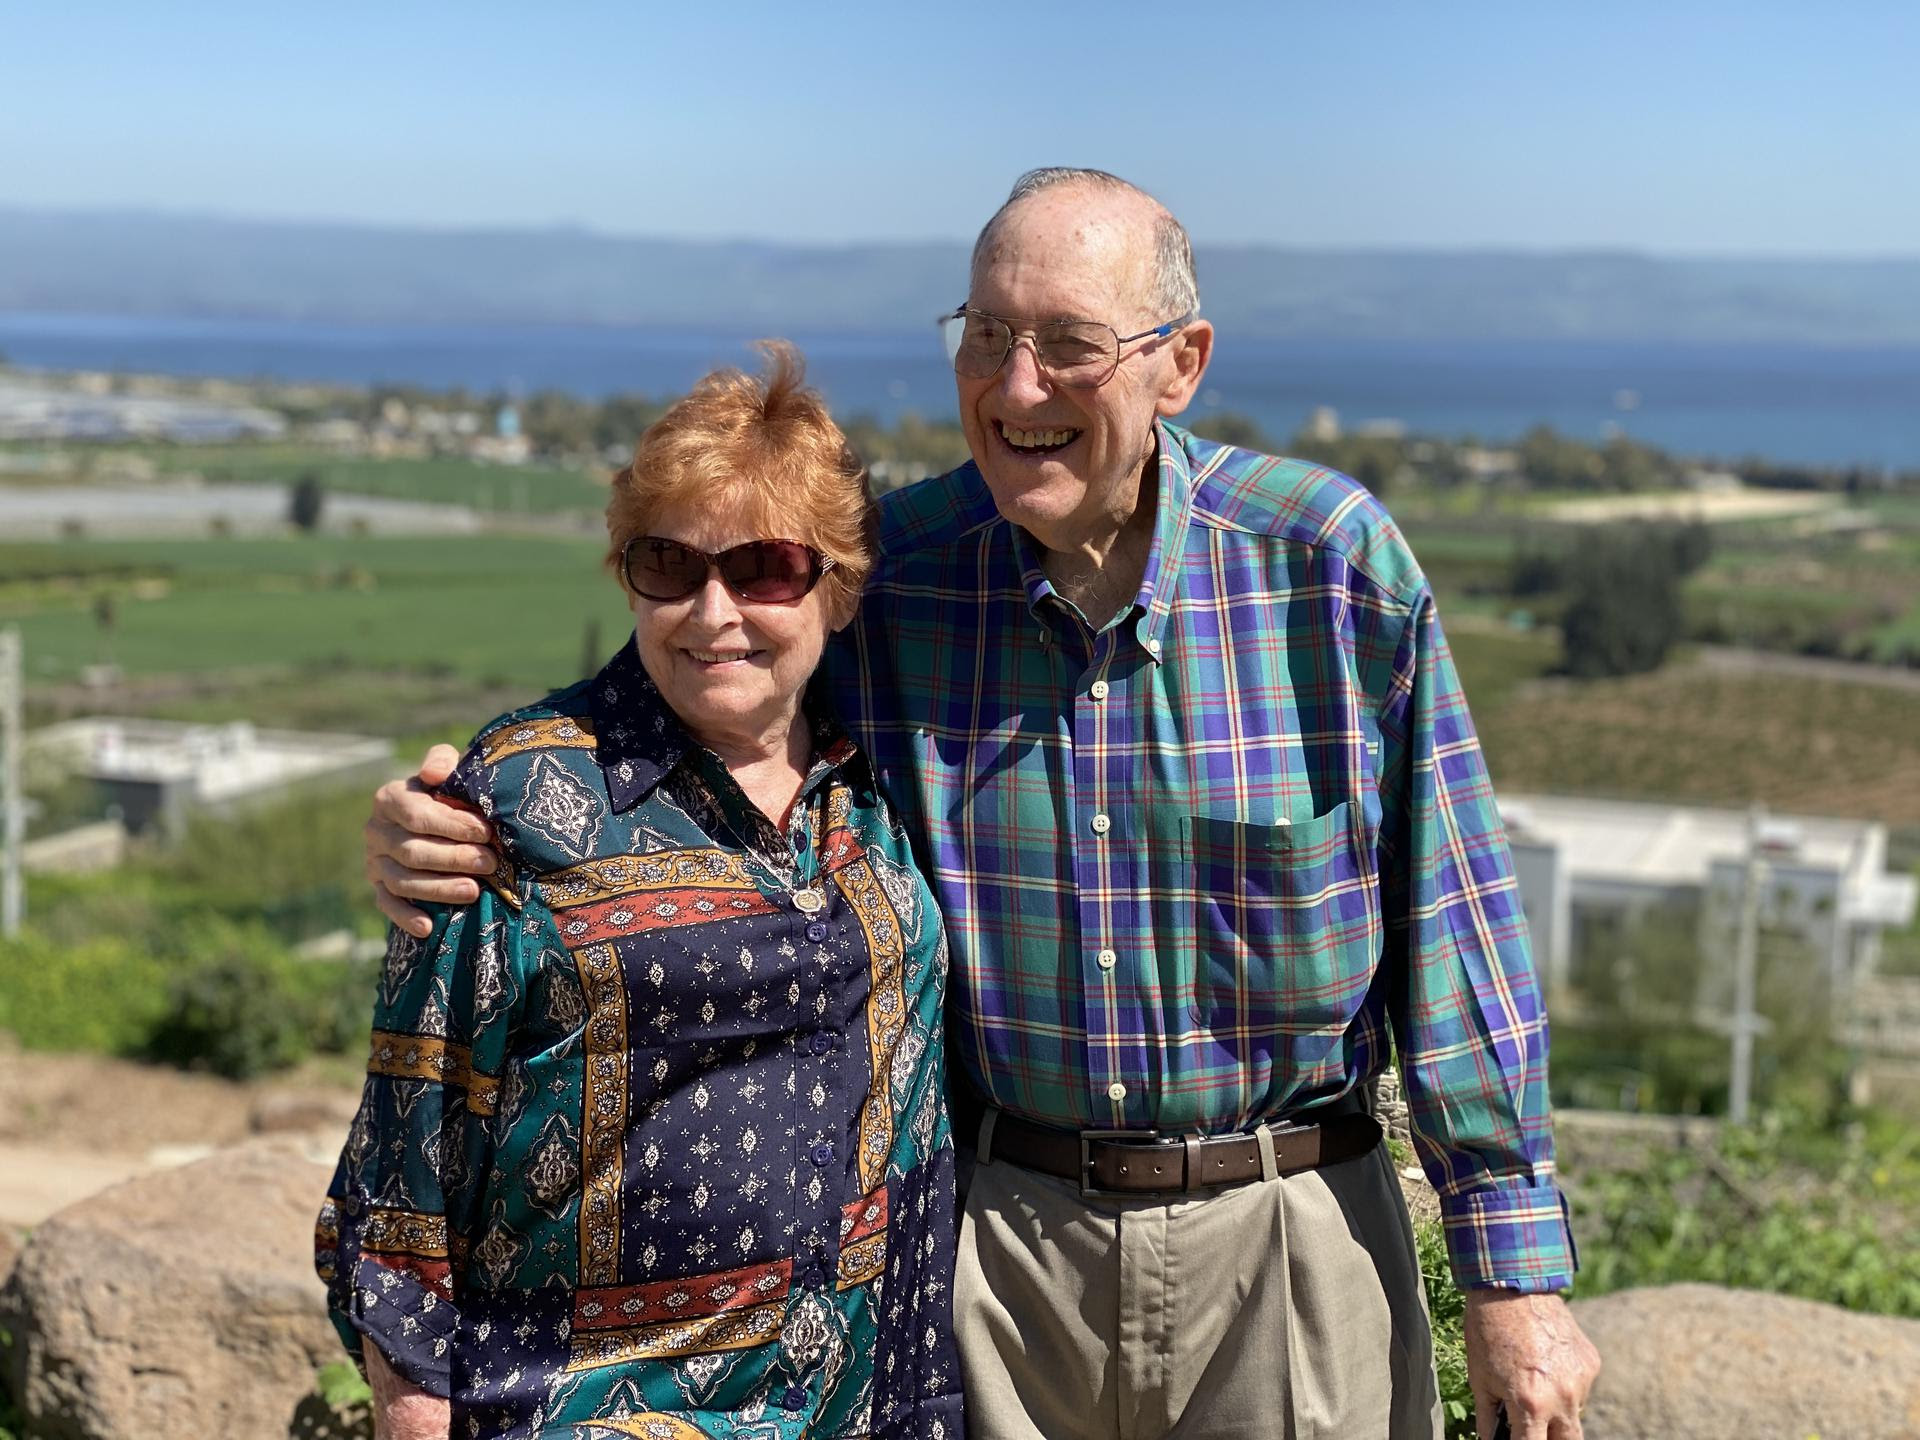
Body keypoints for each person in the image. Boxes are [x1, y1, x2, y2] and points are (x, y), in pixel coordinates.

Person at [366, 169, 1601, 1440]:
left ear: (1180, 365)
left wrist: (1517, 1286)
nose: (1018, 389)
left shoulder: (1328, 570)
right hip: (997, 1256)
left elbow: (1457, 932)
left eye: (1068, 344)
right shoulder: (899, 575)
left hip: (1288, 1240)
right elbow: (705, 682)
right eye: (989, 337)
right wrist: (463, 807)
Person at [319, 345, 964, 1440]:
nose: (713, 611)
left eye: (764, 569)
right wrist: (412, 1406)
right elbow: (403, 1163)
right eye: (669, 564)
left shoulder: (878, 782)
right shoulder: (516, 801)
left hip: (865, 1401)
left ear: (838, 589)